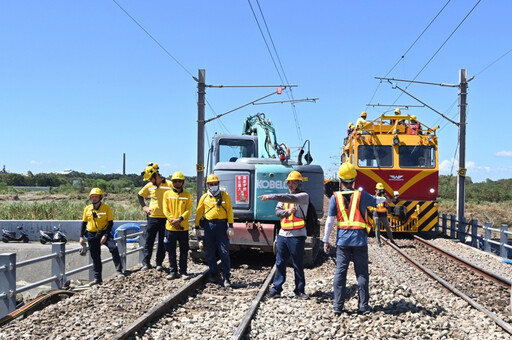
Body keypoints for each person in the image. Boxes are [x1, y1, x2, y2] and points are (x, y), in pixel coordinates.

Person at [323, 163, 387, 315]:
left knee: (340, 272)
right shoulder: (361, 195)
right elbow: (378, 200)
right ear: (354, 180)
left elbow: (330, 221)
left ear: (340, 180)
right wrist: (384, 198)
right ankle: (363, 307)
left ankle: (338, 306)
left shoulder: (335, 198)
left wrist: (325, 240)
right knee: (362, 274)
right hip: (359, 241)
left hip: (343, 242)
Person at [259, 170, 309, 299]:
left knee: (298, 263)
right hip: (283, 235)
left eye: (293, 182)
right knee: (280, 262)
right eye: (288, 183)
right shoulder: (283, 199)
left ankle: (299, 290)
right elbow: (278, 212)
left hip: (297, 236)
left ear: (299, 183)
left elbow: (291, 198)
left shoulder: (303, 196)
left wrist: (270, 196)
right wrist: (287, 211)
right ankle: (276, 289)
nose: (290, 185)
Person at [195, 174, 234, 287]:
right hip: (209, 226)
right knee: (210, 252)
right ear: (208, 185)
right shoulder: (204, 198)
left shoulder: (225, 196)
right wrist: (196, 226)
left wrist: (230, 226)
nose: (213, 186)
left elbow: (230, 211)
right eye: (211, 184)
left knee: (224, 252)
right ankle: (213, 274)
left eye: (215, 184)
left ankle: (226, 277)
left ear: (218, 184)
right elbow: (199, 212)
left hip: (222, 226)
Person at [80, 188, 124, 286]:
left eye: (96, 197)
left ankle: (119, 271)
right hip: (91, 234)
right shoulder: (87, 209)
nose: (94, 198)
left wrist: (106, 235)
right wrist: (81, 236)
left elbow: (110, 222)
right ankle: (97, 278)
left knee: (114, 248)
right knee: (95, 257)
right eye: (92, 197)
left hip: (104, 233)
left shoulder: (106, 208)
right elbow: (84, 223)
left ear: (100, 197)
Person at [138, 162, 172, 271]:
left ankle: (159, 263)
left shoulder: (169, 185)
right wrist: (145, 207)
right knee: (149, 240)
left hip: (165, 218)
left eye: (150, 179)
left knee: (162, 242)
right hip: (152, 217)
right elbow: (140, 195)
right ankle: (146, 263)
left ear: (156, 176)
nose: (149, 181)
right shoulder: (149, 186)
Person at [163, 171, 193, 280]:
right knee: (171, 251)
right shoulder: (167, 194)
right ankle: (173, 271)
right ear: (172, 183)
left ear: (182, 182)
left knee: (184, 251)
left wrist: (180, 219)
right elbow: (165, 210)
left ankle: (183, 272)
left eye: (179, 181)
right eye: (175, 181)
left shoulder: (187, 195)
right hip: (171, 227)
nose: (177, 183)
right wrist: (173, 220)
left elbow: (188, 210)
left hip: (183, 227)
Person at [373, 183, 395, 247]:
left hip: (383, 214)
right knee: (377, 229)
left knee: (387, 227)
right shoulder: (375, 197)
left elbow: (389, 202)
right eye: (379, 190)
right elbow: (373, 200)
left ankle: (391, 239)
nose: (380, 191)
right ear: (376, 190)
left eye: (381, 190)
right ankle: (378, 242)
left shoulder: (384, 197)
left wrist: (385, 195)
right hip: (376, 214)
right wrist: (376, 194)